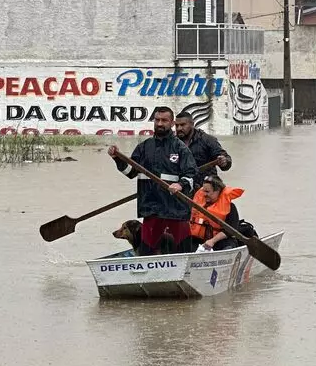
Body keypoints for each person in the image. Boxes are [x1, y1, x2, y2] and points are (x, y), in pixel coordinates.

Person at [107, 106, 198, 255]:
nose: (160, 124)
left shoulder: (180, 148)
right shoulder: (143, 147)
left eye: (164, 120)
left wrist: (181, 184)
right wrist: (117, 159)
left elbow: (191, 174)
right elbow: (130, 172)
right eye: (157, 120)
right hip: (151, 210)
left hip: (175, 211)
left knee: (183, 253)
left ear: (172, 123)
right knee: (145, 253)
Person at [189, 175, 250, 251]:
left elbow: (230, 230)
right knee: (186, 246)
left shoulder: (230, 207)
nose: (204, 194)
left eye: (207, 192)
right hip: (199, 240)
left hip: (220, 242)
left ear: (217, 191)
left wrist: (212, 241)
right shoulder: (198, 204)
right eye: (203, 191)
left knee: (228, 247)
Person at [174, 110, 232, 180]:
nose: (179, 128)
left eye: (183, 125)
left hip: (205, 186)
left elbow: (225, 160)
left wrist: (224, 161)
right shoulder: (173, 142)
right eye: (177, 125)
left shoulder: (207, 140)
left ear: (192, 124)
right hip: (182, 185)